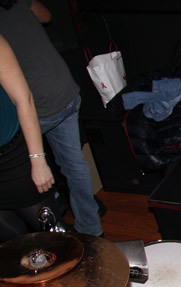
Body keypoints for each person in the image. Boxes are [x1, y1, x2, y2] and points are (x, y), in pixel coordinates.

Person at [0, 0, 104, 236]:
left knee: (28, 174)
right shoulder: (18, 2)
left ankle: (55, 221)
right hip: (65, 90)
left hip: (39, 104)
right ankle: (91, 229)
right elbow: (46, 16)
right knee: (74, 164)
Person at [0, 35, 56, 287]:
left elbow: (24, 99)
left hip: (15, 159)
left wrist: (38, 160)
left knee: (55, 240)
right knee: (12, 254)